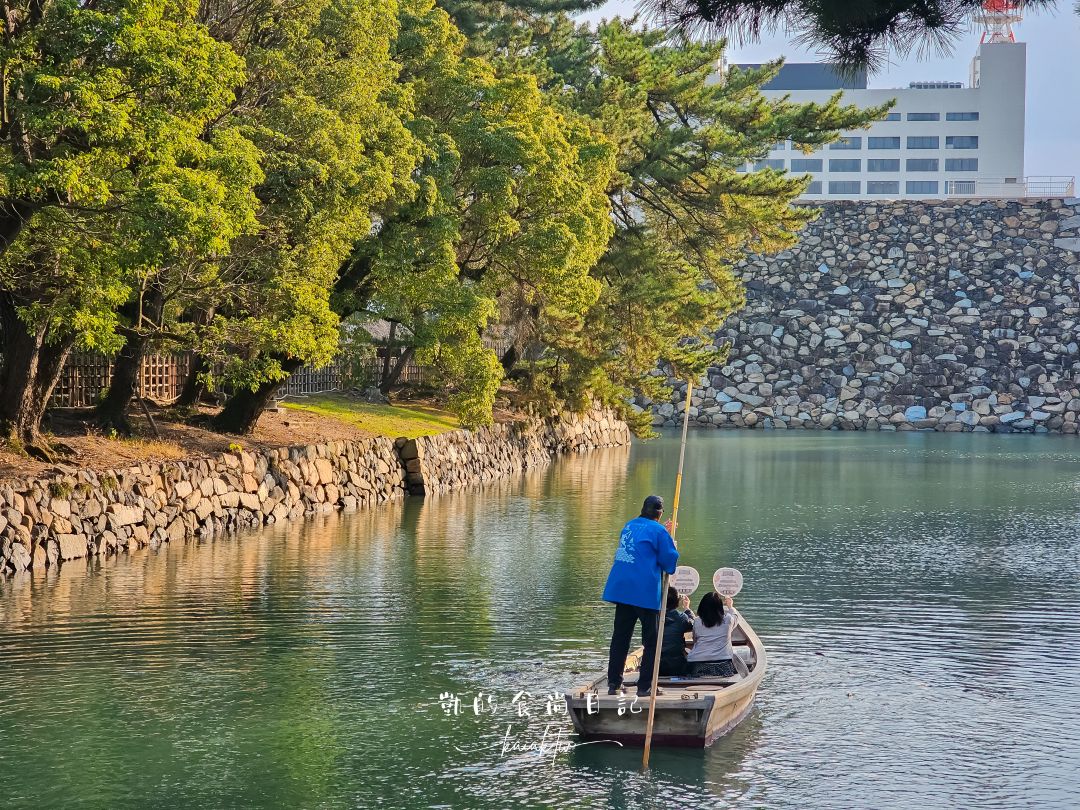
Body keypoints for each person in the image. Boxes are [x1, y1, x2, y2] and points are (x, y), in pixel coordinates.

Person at [602, 495, 679, 697]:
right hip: (644, 591)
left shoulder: (629, 525)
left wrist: (666, 536)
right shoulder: (659, 530)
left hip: (622, 589)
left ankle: (613, 684)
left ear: (643, 509)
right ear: (659, 513)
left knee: (620, 638)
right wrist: (672, 542)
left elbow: (641, 549)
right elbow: (669, 562)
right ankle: (645, 686)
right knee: (651, 641)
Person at [686, 592, 740, 678]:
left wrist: (687, 608)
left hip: (697, 664)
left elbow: (695, 641)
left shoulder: (697, 621)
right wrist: (730, 606)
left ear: (702, 607)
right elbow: (736, 617)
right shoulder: (728, 620)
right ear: (720, 607)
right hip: (723, 664)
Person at [659, 585, 695, 677]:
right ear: (677, 602)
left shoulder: (652, 617)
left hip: (655, 666)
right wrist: (687, 608)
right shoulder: (681, 618)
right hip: (677, 666)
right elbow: (693, 624)